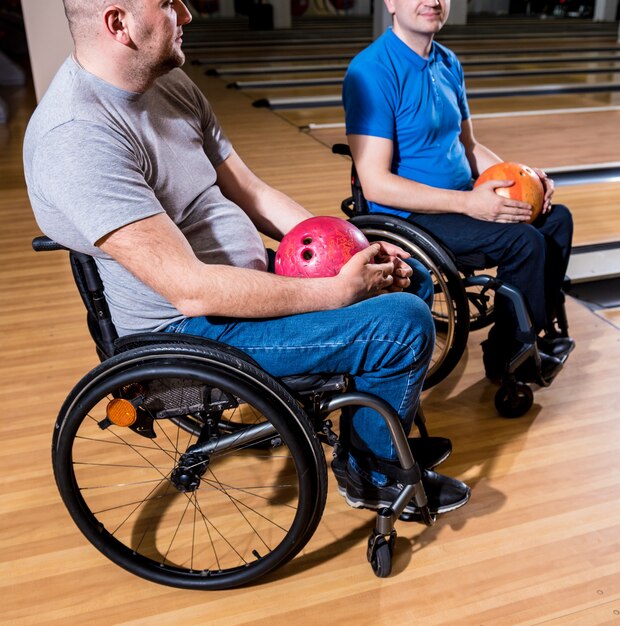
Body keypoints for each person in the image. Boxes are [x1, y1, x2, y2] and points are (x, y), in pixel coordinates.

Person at [24, 1, 469, 517]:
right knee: (403, 323)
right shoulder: (78, 137)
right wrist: (335, 291)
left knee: (400, 279)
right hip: (193, 329)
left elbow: (251, 192)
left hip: (240, 286)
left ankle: (374, 439)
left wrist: (351, 247)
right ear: (118, 23)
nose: (188, 14)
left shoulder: (167, 84)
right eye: (168, 4)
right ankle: (370, 474)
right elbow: (191, 289)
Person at [342, 0, 574, 383]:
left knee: (557, 219)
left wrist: (527, 180)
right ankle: (508, 359)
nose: (432, 1)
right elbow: (376, 182)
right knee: (523, 241)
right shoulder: (370, 71)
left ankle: (535, 328)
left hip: (465, 199)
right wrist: (469, 203)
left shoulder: (448, 61)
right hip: (411, 217)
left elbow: (469, 146)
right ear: (390, 3)